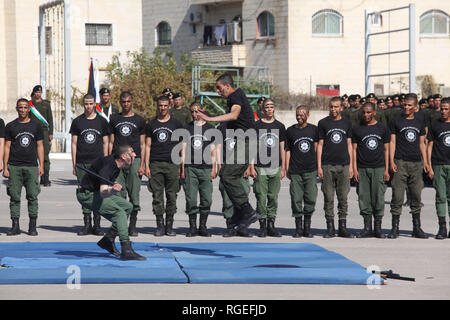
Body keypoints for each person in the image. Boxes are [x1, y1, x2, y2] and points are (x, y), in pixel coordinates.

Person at [197, 73, 258, 233]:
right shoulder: (235, 97)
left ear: (227, 86)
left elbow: (234, 114)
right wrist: (209, 116)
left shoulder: (235, 96)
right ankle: (239, 211)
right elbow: (231, 118)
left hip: (247, 141)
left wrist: (210, 119)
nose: (218, 91)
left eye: (219, 88)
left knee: (228, 175)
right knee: (227, 176)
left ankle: (247, 211)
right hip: (244, 141)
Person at [77, 145, 146, 261]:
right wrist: (113, 189)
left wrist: (113, 186)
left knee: (128, 207)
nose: (134, 155)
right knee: (119, 213)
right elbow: (104, 192)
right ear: (124, 156)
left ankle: (108, 239)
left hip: (95, 192)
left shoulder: (117, 163)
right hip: (87, 195)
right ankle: (126, 249)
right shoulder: (109, 166)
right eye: (132, 153)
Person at [388, 94, 429, 239]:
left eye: (409, 105)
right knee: (397, 195)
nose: (406, 107)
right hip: (400, 162)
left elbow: (422, 143)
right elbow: (392, 142)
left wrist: (426, 162)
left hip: (416, 163)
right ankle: (395, 228)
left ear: (415, 107)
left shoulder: (419, 122)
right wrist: (391, 161)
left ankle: (417, 228)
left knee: (416, 195)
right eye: (405, 105)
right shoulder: (396, 121)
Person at [70, 94, 110, 236]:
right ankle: (87, 224)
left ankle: (97, 225)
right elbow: (74, 144)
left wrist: (106, 163)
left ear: (95, 104)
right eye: (86, 104)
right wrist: (74, 164)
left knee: (97, 192)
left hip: (98, 163)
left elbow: (106, 143)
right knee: (84, 192)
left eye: (91, 103)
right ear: (83, 104)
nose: (88, 106)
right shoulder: (77, 122)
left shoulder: (102, 122)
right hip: (82, 163)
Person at [3, 99, 44, 236]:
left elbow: (40, 146)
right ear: (16, 109)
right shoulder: (10, 126)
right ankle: (15, 226)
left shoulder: (36, 126)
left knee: (32, 196)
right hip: (14, 166)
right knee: (14, 197)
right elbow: (7, 147)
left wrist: (41, 165)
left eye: (25, 107)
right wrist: (5, 166)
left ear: (28, 109)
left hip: (31, 166)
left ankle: (32, 226)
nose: (22, 110)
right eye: (20, 107)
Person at [109, 91, 146, 237]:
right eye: (123, 102)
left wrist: (142, 164)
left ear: (132, 102)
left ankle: (133, 225)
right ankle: (121, 225)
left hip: (134, 160)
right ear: (120, 102)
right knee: (119, 194)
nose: (126, 104)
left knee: (134, 194)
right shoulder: (114, 119)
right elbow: (111, 142)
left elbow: (143, 144)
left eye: (128, 101)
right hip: (118, 161)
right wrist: (109, 161)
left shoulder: (140, 120)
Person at [145, 95, 183, 236]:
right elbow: (147, 146)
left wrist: (181, 165)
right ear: (157, 106)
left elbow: (181, 146)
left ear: (170, 106)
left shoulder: (176, 124)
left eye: (165, 106)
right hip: (155, 164)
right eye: (160, 105)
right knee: (157, 196)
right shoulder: (151, 124)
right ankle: (159, 225)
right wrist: (146, 165)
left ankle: (169, 225)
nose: (162, 108)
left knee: (172, 196)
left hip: (172, 164)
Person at [352, 102, 390, 238]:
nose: (366, 115)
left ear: (374, 112)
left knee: (378, 197)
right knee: (364, 197)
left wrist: (386, 169)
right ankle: (367, 227)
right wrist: (354, 169)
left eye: (368, 112)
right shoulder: (357, 129)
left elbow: (386, 149)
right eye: (364, 112)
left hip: (379, 167)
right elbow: (354, 150)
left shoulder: (382, 128)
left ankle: (378, 228)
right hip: (362, 168)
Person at [317, 96, 354, 238]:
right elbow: (319, 145)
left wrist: (351, 165)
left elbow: (349, 144)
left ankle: (343, 227)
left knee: (343, 197)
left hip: (344, 165)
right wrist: (319, 166)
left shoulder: (347, 123)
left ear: (341, 108)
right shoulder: (323, 123)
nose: (333, 109)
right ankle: (330, 227)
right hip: (327, 165)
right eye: (331, 106)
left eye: (336, 107)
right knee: (328, 196)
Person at [181, 102, 217, 237]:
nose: (195, 114)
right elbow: (183, 150)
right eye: (193, 112)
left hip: (206, 168)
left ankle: (203, 226)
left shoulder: (210, 129)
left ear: (203, 111)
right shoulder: (187, 129)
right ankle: (192, 227)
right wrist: (183, 168)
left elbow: (213, 151)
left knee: (206, 199)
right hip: (191, 168)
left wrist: (214, 168)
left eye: (197, 111)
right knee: (191, 198)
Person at [252, 98, 286, 237]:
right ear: (262, 109)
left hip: (275, 165)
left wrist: (283, 167)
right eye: (267, 107)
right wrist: (251, 165)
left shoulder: (280, 126)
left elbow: (282, 147)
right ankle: (262, 225)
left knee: (273, 197)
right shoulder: (257, 126)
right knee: (261, 197)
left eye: (271, 106)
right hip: (260, 166)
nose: (269, 109)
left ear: (274, 108)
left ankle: (271, 224)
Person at [285, 105, 318, 238]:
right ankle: (298, 228)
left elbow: (316, 149)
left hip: (310, 169)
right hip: (296, 170)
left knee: (310, 197)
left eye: (302, 114)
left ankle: (307, 228)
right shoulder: (290, 131)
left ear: (308, 115)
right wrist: (287, 168)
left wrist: (318, 166)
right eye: (297, 114)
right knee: (296, 199)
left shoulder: (314, 130)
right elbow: (288, 150)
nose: (299, 117)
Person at [216, 122, 253, 237]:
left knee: (242, 196)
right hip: (227, 167)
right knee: (228, 199)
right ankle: (230, 227)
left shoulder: (243, 126)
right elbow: (218, 147)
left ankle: (242, 226)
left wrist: (249, 165)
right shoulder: (222, 127)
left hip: (240, 166)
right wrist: (219, 164)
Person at [427, 98, 450, 239]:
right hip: (438, 165)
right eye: (442, 108)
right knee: (440, 197)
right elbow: (429, 146)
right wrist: (429, 166)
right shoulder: (435, 125)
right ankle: (442, 228)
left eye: (446, 108)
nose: (443, 111)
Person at [30, 85, 53, 187]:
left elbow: (50, 119)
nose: (38, 94)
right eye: (36, 92)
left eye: (40, 92)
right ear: (34, 93)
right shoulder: (30, 105)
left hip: (44, 132)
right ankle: (34, 178)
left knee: (45, 156)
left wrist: (51, 133)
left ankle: (45, 178)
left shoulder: (46, 104)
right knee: (33, 155)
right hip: (33, 131)